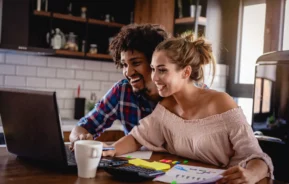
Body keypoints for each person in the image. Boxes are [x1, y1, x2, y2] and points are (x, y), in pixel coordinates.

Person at [102, 36, 274, 183]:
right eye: (153, 69)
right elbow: (137, 138)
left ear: (185, 72)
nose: (154, 78)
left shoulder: (221, 103)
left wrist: (250, 174)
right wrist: (111, 150)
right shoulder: (166, 107)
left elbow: (258, 157)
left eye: (162, 70)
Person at [69, 24, 169, 147]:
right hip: (135, 165)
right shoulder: (122, 91)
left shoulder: (175, 93)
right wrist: (79, 140)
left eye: (136, 63)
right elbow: (82, 127)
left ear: (155, 62)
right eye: (124, 65)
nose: (128, 72)